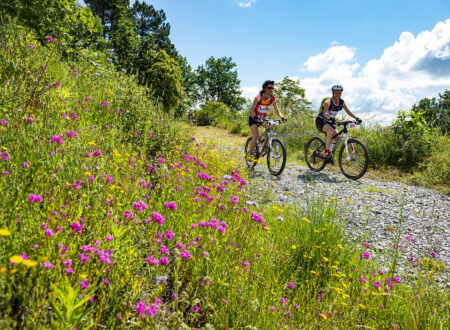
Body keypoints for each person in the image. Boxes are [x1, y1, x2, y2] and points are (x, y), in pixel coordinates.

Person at [315, 85, 361, 158]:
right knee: (330, 130)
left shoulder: (341, 102)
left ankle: (330, 154)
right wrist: (331, 118)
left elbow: (348, 111)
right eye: (336, 93)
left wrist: (356, 118)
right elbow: (325, 113)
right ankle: (327, 151)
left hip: (330, 121)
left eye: (339, 93)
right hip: (321, 120)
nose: (337, 95)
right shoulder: (328, 102)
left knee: (337, 137)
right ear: (333, 93)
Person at [248, 80, 286, 157]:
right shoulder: (258, 97)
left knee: (270, 129)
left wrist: (282, 117)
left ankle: (264, 148)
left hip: (263, 117)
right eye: (269, 88)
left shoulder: (273, 99)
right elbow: (252, 109)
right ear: (265, 88)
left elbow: (277, 111)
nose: (271, 89)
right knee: (255, 136)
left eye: (272, 88)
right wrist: (255, 116)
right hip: (254, 117)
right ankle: (249, 154)